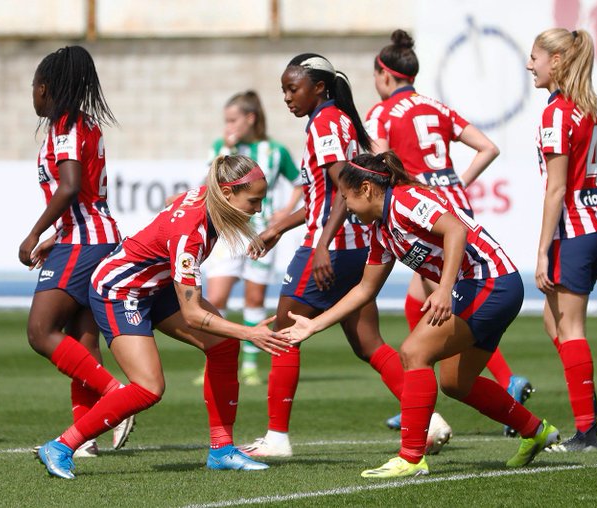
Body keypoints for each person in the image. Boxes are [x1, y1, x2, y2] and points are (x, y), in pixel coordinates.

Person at [282, 152, 560, 478]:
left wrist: (443, 289)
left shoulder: (406, 200)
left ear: (368, 189)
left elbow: (455, 230)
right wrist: (314, 325)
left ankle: (411, 458)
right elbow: (364, 290)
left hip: (491, 283)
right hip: (485, 287)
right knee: (456, 383)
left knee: (415, 352)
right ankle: (536, 430)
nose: (344, 207)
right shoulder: (382, 231)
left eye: (346, 197)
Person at [240, 53, 452, 458]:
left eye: (293, 88)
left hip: (334, 248)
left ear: (319, 87)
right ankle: (428, 420)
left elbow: (344, 189)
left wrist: (321, 244)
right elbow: (327, 196)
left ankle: (277, 438)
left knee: (285, 333)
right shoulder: (337, 120)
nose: (287, 97)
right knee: (368, 343)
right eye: (284, 88)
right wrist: (277, 228)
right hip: (358, 246)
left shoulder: (325, 122)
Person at [35, 155, 291, 479]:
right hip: (120, 291)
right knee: (149, 387)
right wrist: (249, 331)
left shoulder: (206, 194)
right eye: (254, 200)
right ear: (227, 194)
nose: (259, 208)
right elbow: (194, 314)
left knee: (223, 346)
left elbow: (174, 201)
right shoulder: (191, 236)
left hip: (154, 285)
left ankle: (222, 450)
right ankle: (60, 446)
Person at [365, 29, 533, 436]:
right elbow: (488, 147)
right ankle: (419, 388)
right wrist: (458, 182)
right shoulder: (437, 107)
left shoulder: (383, 112)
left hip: (417, 209)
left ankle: (423, 392)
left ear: (385, 75)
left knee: (448, 299)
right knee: (424, 300)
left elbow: (373, 164)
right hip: (453, 202)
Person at [19, 45, 133, 459]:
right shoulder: (86, 124)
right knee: (82, 341)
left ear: (46, 88)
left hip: (84, 241)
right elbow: (84, 194)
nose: (32, 94)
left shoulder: (65, 125)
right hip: (93, 235)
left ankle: (114, 397)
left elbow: (68, 187)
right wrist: (57, 236)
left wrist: (35, 234)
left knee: (39, 331)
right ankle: (84, 437)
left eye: (34, 86)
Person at [526, 28, 597, 451]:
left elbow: (556, 190)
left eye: (536, 58)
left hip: (576, 231)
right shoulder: (593, 110)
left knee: (571, 327)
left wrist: (542, 252)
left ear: (557, 61)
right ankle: (590, 407)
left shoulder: (558, 113)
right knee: (553, 322)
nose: (531, 66)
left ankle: (587, 431)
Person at [200, 90, 303, 386]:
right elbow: (211, 182)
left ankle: (248, 363)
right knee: (216, 297)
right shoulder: (222, 148)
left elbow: (299, 183)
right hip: (226, 232)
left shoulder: (274, 151)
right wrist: (225, 149)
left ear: (250, 118)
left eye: (233, 120)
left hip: (260, 234)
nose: (228, 126)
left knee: (254, 297)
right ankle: (214, 357)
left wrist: (284, 211)